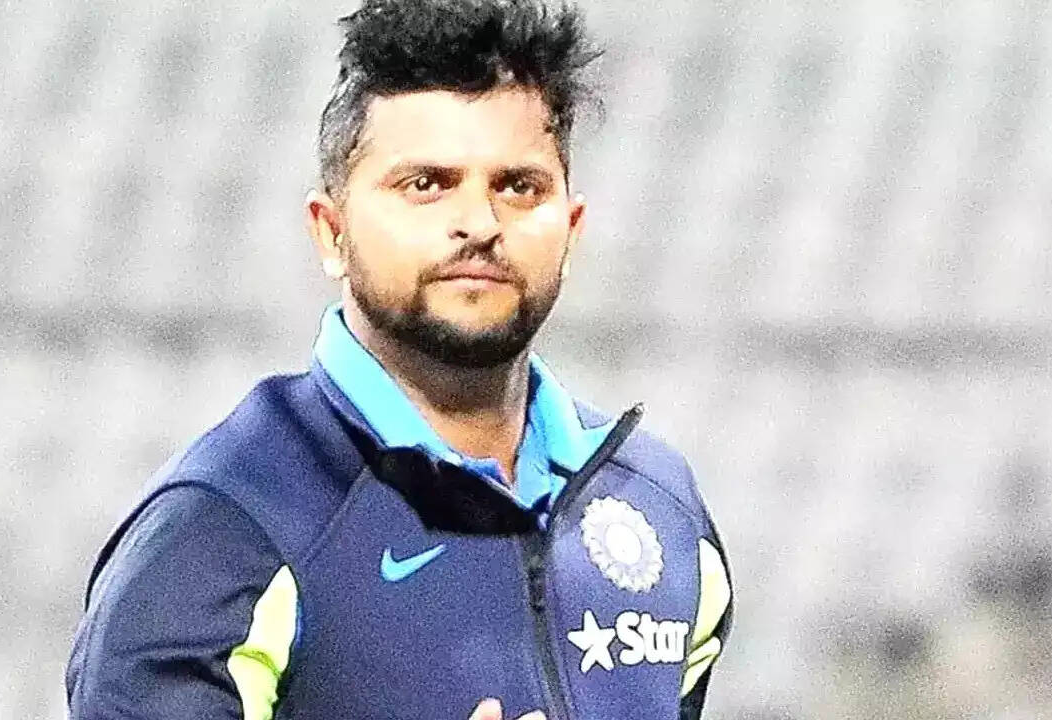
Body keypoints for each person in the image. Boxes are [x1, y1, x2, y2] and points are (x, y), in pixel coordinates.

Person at [64, 0, 733, 718]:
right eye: (426, 185)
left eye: (518, 187)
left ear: (570, 230)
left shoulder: (661, 510)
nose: (478, 223)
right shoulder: (225, 528)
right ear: (331, 233)